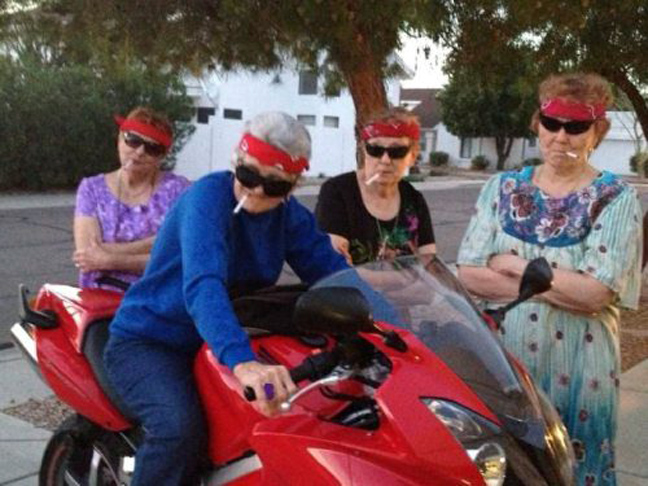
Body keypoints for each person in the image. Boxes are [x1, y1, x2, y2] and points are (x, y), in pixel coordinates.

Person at [103, 112, 349, 485]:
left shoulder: (288, 217)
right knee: (178, 430)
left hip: (216, 341)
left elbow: (334, 276)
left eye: (274, 185)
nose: (257, 191)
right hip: (153, 341)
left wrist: (396, 328)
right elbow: (204, 285)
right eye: (248, 175)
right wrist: (243, 363)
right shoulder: (205, 199)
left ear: (293, 186)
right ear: (237, 160)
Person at [457, 72, 643, 484]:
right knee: (506, 468)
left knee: (575, 468)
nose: (561, 136)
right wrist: (561, 284)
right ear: (537, 124)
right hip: (504, 366)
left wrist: (516, 266)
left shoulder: (615, 199)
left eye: (576, 127)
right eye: (551, 123)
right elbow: (468, 274)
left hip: (582, 368)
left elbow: (595, 293)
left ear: (597, 132)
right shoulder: (501, 188)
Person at [73, 107, 190, 289]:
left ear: (162, 156)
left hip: (154, 298)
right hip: (98, 297)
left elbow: (177, 259)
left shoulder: (178, 190)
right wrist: (156, 243)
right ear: (120, 139)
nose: (140, 151)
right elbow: (87, 255)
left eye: (152, 148)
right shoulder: (91, 189)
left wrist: (110, 258)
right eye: (133, 141)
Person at [315, 107, 436, 265]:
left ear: (412, 156)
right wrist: (400, 277)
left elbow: (429, 262)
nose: (385, 160)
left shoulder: (414, 199)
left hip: (404, 283)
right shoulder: (338, 191)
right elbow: (335, 265)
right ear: (364, 150)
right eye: (375, 149)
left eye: (397, 151)